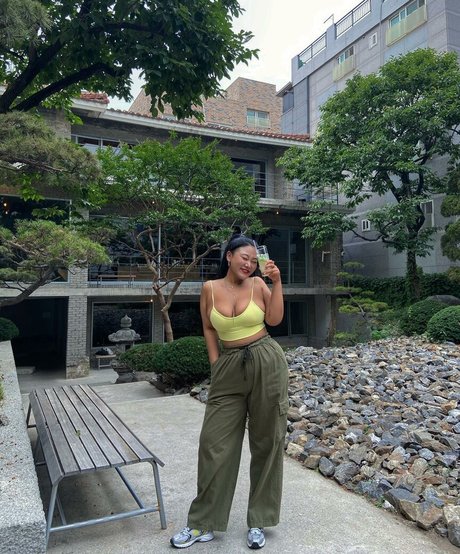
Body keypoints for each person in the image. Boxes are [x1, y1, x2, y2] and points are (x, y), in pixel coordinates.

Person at [170, 234, 289, 550]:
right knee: (213, 444)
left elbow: (274, 319)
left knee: (267, 441)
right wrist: (216, 365)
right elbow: (209, 328)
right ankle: (203, 522)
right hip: (228, 368)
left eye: (253, 260)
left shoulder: (259, 285)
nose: (248, 264)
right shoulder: (209, 289)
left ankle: (259, 519)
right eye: (243, 257)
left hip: (266, 360)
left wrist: (276, 282)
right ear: (229, 256)